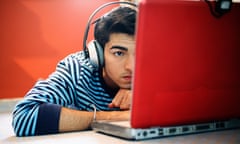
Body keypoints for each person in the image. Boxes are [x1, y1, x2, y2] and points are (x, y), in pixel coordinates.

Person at [12, 6, 137, 136]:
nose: (131, 67)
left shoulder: (154, 69)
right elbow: (24, 117)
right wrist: (119, 116)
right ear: (98, 53)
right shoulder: (78, 69)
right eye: (118, 53)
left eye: (139, 53)